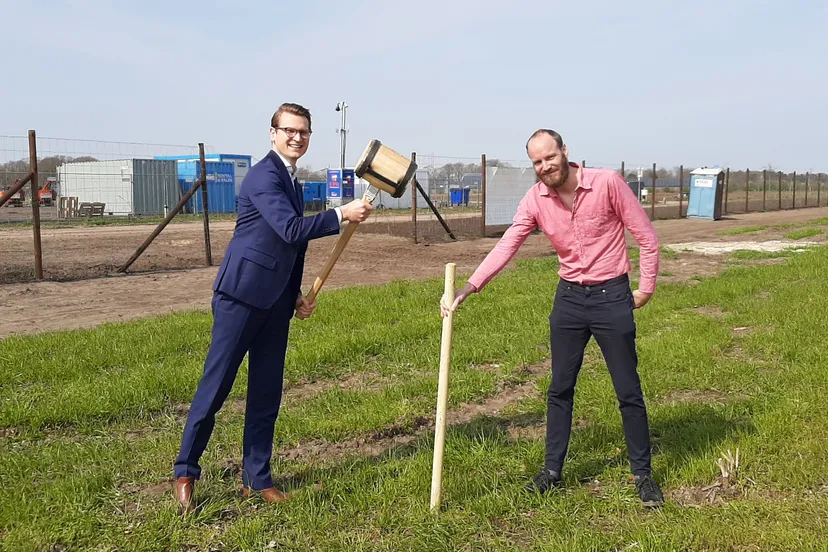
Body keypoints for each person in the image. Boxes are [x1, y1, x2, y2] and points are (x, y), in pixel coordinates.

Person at [441, 129, 665, 508]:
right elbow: (508, 243)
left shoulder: (607, 183)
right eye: (537, 162)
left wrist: (646, 287)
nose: (545, 166)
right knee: (559, 388)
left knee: (627, 390)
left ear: (565, 152)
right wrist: (469, 286)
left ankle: (643, 475)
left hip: (612, 296)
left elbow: (646, 236)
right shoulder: (535, 199)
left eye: (550, 157)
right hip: (569, 300)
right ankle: (551, 471)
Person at [173, 102, 373, 513]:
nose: (296, 137)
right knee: (216, 387)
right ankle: (185, 471)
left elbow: (289, 246)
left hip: (275, 301)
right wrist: (340, 213)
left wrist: (295, 291)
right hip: (240, 297)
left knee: (266, 392)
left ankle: (256, 479)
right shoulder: (265, 175)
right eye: (289, 130)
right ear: (272, 133)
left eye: (303, 132)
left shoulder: (294, 181)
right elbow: (291, 228)